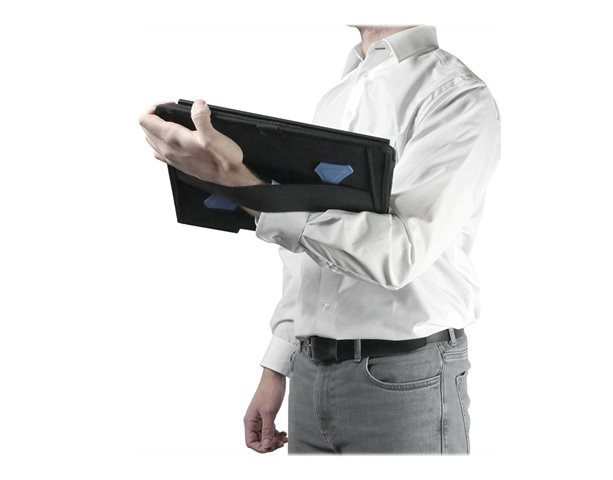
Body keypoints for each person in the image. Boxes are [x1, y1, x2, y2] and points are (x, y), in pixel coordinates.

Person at [138, 24, 501, 455]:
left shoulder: (455, 95)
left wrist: (243, 186)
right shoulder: (340, 94)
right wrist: (278, 364)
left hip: (404, 382)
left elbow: (400, 254)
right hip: (310, 372)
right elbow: (309, 252)